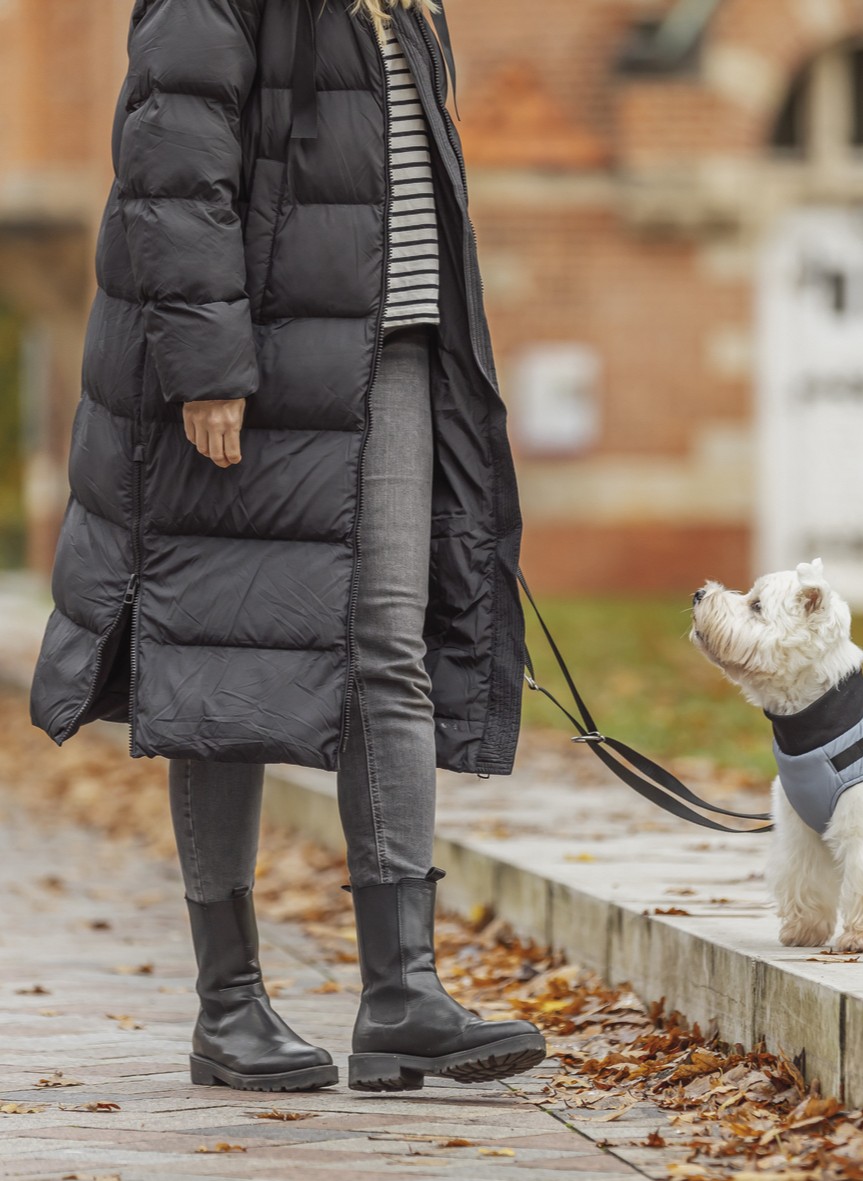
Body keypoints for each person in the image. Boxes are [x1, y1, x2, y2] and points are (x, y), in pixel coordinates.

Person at [28, 0, 545, 1094]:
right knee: (225, 650)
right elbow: (174, 160)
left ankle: (402, 990)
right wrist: (208, 358)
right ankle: (229, 1002)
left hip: (393, 344)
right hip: (250, 357)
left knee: (387, 645)